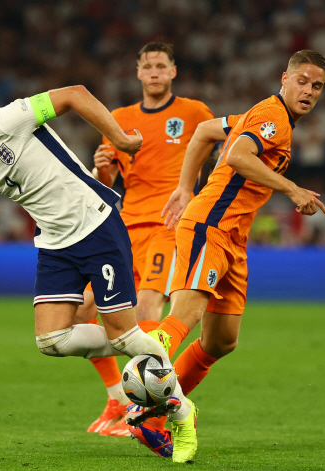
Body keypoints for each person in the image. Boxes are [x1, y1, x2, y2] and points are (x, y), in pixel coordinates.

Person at [0, 84, 200, 463]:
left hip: (95, 223)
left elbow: (74, 94)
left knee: (123, 336)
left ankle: (182, 413)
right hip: (54, 242)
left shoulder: (9, 119)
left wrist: (118, 138)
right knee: (51, 339)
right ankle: (143, 343)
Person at [135, 49, 325, 453]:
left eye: (317, 86)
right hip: (210, 227)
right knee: (183, 317)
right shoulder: (272, 117)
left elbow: (206, 130)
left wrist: (184, 186)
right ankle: (140, 403)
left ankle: (150, 410)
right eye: (303, 81)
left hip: (233, 239)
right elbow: (240, 156)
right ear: (284, 78)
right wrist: (291, 188)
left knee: (222, 340)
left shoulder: (264, 117)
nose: (309, 90)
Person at [76, 42, 214, 440]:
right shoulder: (118, 118)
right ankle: (118, 398)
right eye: (148, 66)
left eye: (161, 66)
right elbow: (106, 183)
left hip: (169, 224)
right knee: (84, 309)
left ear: (173, 72)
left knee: (148, 304)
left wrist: (201, 197)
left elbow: (220, 155)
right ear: (138, 73)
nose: (154, 72)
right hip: (123, 226)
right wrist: (101, 170)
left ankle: (149, 403)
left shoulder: (194, 113)